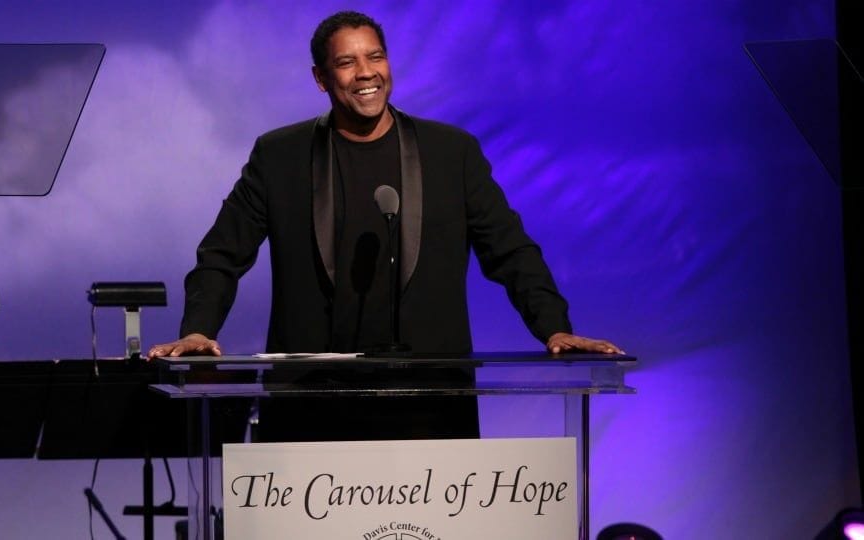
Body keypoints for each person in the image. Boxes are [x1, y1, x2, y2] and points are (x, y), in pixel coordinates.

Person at [148, 11, 621, 439]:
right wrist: (197, 330)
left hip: (430, 400)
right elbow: (221, 255)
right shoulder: (279, 156)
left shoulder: (449, 153)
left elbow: (510, 250)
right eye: (347, 62)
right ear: (321, 78)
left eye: (375, 56)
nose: (366, 72)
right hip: (312, 401)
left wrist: (554, 328)